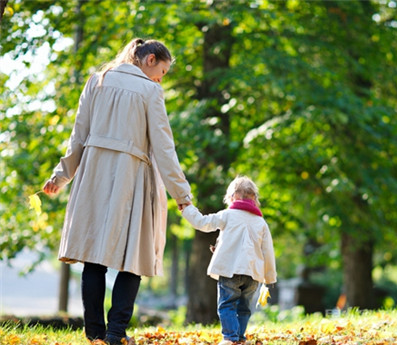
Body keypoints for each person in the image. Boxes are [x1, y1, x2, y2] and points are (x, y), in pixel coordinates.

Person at [43, 38, 192, 345]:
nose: (161, 78)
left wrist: (60, 176)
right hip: (132, 179)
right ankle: (116, 334)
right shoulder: (151, 91)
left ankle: (94, 333)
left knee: (93, 258)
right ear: (150, 59)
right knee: (133, 257)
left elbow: (78, 137)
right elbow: (164, 148)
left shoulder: (96, 82)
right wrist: (182, 194)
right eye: (162, 71)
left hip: (93, 176)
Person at [181, 176, 277, 345]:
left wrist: (188, 209)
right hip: (253, 274)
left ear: (232, 197)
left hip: (231, 270)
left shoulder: (227, 215)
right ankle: (239, 338)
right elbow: (267, 251)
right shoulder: (261, 222)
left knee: (227, 305)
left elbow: (203, 223)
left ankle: (230, 338)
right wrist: (269, 278)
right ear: (255, 199)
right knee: (244, 308)